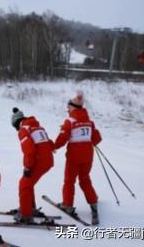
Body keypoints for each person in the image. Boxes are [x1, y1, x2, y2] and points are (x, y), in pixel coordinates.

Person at [53, 92, 102, 225]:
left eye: (68, 107)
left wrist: (53, 146)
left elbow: (62, 139)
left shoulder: (70, 121)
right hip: (87, 157)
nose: (67, 110)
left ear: (73, 107)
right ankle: (94, 205)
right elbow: (97, 139)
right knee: (85, 180)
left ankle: (67, 205)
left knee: (69, 181)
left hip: (74, 157)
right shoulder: (89, 121)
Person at [11, 107, 54, 223]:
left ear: (17, 123)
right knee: (28, 183)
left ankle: (26, 215)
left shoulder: (23, 129)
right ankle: (30, 208)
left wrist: (27, 167)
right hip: (47, 160)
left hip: (39, 160)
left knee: (24, 184)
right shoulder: (37, 127)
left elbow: (29, 149)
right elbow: (49, 143)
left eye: (15, 127)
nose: (16, 130)